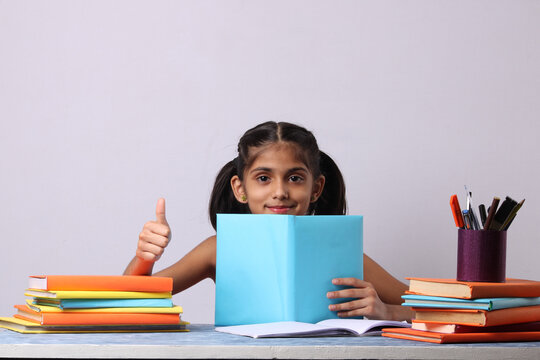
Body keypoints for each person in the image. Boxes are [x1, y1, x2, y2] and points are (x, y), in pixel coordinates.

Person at [124, 121, 413, 321]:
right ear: (240, 188)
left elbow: (441, 313)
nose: (280, 191)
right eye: (263, 178)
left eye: (295, 178)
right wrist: (144, 259)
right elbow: (125, 301)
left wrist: (389, 312)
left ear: (316, 189)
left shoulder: (342, 254)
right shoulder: (219, 249)